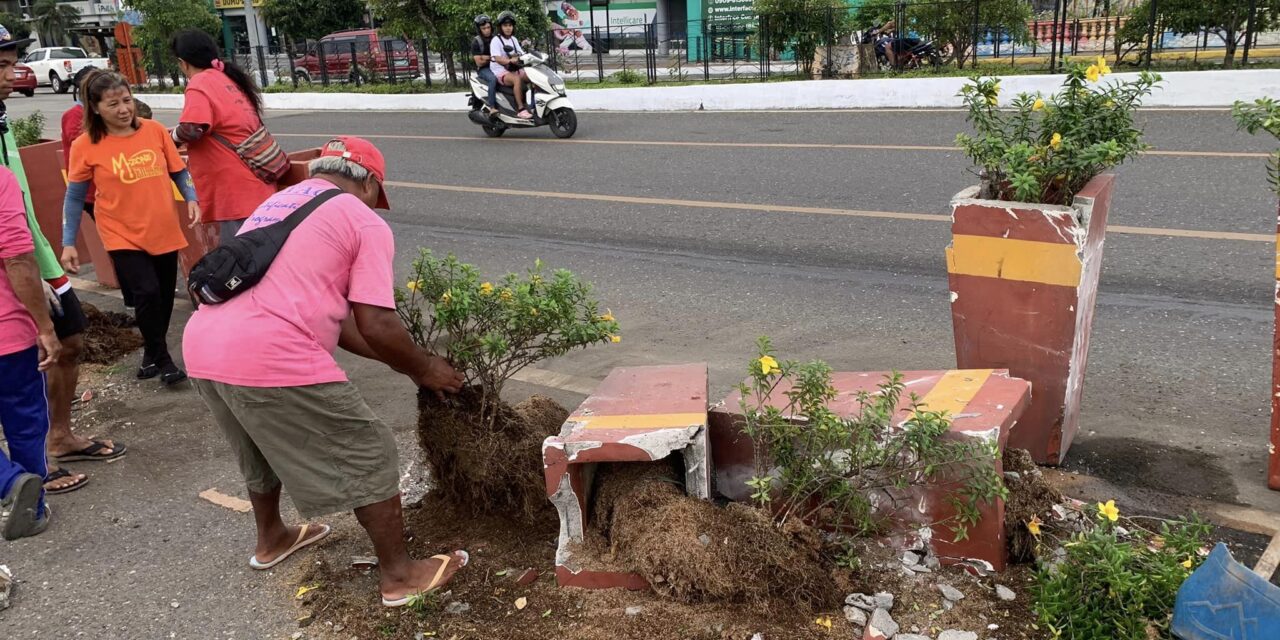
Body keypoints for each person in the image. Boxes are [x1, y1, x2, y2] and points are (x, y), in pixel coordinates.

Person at [182, 137, 469, 606]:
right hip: (269, 350)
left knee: (258, 442)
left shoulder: (277, 204)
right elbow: (376, 322)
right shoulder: (362, 218)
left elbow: (341, 326)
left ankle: (272, 538)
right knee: (368, 448)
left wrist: (406, 367)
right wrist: (426, 366)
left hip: (205, 346)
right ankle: (399, 575)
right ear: (371, 183)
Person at [61, 70, 198, 387]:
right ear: (95, 108)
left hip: (162, 226)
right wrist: (68, 242)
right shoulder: (87, 145)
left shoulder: (154, 131)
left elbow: (178, 171)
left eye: (126, 100)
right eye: (113, 104)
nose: (123, 109)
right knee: (146, 291)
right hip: (120, 231)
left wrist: (191, 197)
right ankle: (163, 359)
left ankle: (151, 352)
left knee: (162, 297)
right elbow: (74, 196)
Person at [0, 21, 59, 540]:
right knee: (23, 414)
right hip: (8, 328)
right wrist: (44, 324)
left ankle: (7, 482)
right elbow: (17, 258)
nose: (9, 74)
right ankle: (30, 500)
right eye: (0, 65)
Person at [169, 30, 277, 240]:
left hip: (236, 193)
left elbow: (192, 128)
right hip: (259, 183)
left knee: (240, 264)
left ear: (183, 63)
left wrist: (170, 139)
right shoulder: (226, 78)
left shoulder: (199, 84)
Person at [490, 12, 532, 119]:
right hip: (500, 71)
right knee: (517, 79)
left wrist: (529, 57)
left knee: (532, 76)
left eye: (510, 25)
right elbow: (497, 58)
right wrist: (509, 61)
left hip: (513, 69)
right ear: (500, 27)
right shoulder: (496, 40)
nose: (508, 28)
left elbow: (520, 53)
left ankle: (534, 105)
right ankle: (521, 109)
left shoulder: (513, 39)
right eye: (505, 26)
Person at [471, 15, 499, 114]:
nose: (487, 30)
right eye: (484, 28)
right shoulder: (476, 42)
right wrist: (492, 58)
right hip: (484, 69)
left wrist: (486, 57)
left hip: (497, 66)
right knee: (493, 79)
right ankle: (492, 107)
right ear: (479, 29)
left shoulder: (496, 39)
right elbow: (479, 62)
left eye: (488, 27)